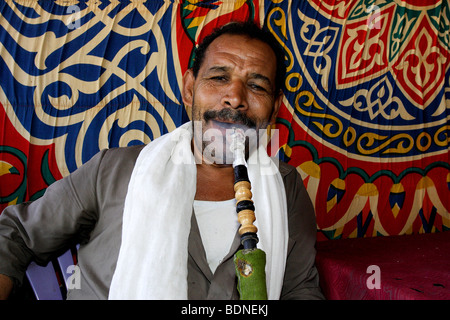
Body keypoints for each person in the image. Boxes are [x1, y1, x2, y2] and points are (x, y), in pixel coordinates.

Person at [0, 21, 324, 300]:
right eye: (219, 78)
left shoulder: (286, 189)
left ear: (275, 108)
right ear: (188, 90)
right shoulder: (115, 170)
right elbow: (13, 235)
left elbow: (298, 289)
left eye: (256, 85)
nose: (236, 98)